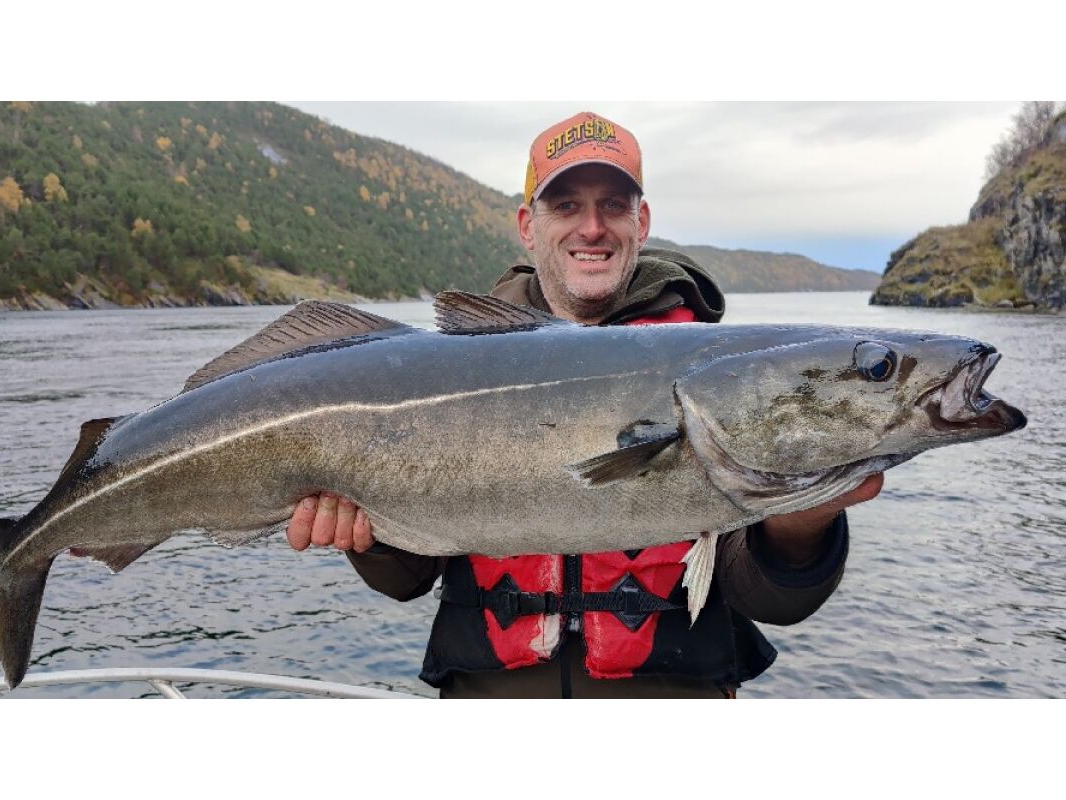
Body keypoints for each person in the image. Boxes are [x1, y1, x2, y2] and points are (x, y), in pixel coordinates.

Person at [286, 111, 882, 698]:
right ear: (529, 225)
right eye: (567, 205)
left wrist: (800, 525)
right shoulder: (454, 366)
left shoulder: (720, 376)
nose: (592, 228)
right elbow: (406, 580)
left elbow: (773, 601)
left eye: (613, 206)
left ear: (641, 222)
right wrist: (367, 535)